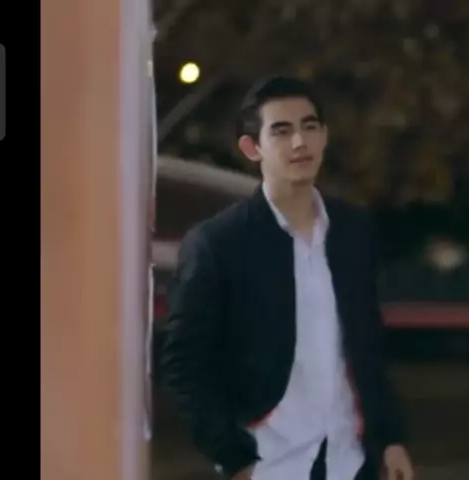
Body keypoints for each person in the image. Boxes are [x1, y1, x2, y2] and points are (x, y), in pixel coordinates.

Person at [158, 75, 415, 480]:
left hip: (351, 461)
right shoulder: (218, 243)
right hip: (269, 463)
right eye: (281, 131)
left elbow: (367, 344)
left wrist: (390, 438)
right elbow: (185, 364)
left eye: (309, 127)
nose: (300, 142)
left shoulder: (352, 230)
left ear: (324, 136)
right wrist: (232, 457)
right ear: (252, 148)